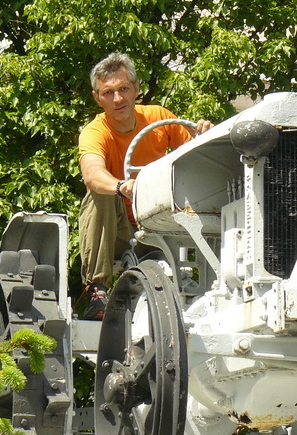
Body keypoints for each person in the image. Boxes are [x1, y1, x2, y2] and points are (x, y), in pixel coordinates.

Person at [77, 53, 212, 319]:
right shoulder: (95, 132)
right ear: (97, 98)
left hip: (160, 223)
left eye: (124, 89)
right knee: (100, 194)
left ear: (137, 89)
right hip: (118, 230)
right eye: (108, 93)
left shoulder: (158, 118)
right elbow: (92, 173)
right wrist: (122, 186)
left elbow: (199, 159)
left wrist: (206, 138)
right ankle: (98, 290)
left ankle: (214, 283)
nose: (118, 99)